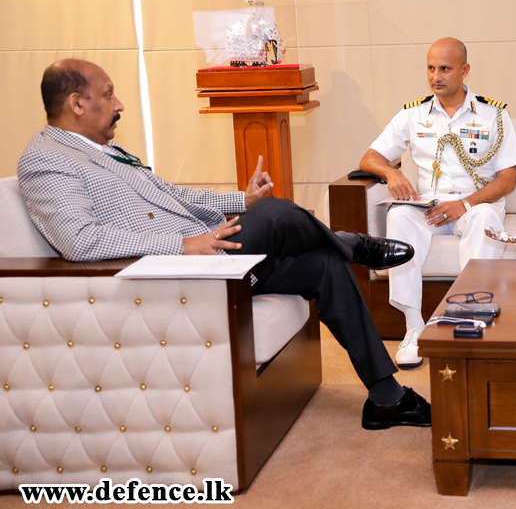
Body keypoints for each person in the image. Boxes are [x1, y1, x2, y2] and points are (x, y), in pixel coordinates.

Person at [18, 58, 430, 431]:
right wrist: (181, 245)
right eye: (108, 95)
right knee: (276, 216)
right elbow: (79, 240)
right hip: (167, 277)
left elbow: (174, 196)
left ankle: (386, 397)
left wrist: (241, 200)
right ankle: (351, 243)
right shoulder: (46, 159)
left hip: (205, 259)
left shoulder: (109, 150)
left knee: (321, 261)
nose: (120, 103)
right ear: (75, 102)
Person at [360, 38, 516, 368]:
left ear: (464, 71)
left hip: (475, 205)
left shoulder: (493, 114)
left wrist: (465, 204)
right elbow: (370, 158)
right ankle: (413, 327)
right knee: (400, 216)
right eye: (431, 68)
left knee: (483, 222)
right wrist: (391, 174)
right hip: (429, 207)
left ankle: (470, 319)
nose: (436, 76)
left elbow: (508, 180)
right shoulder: (413, 114)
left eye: (445, 69)